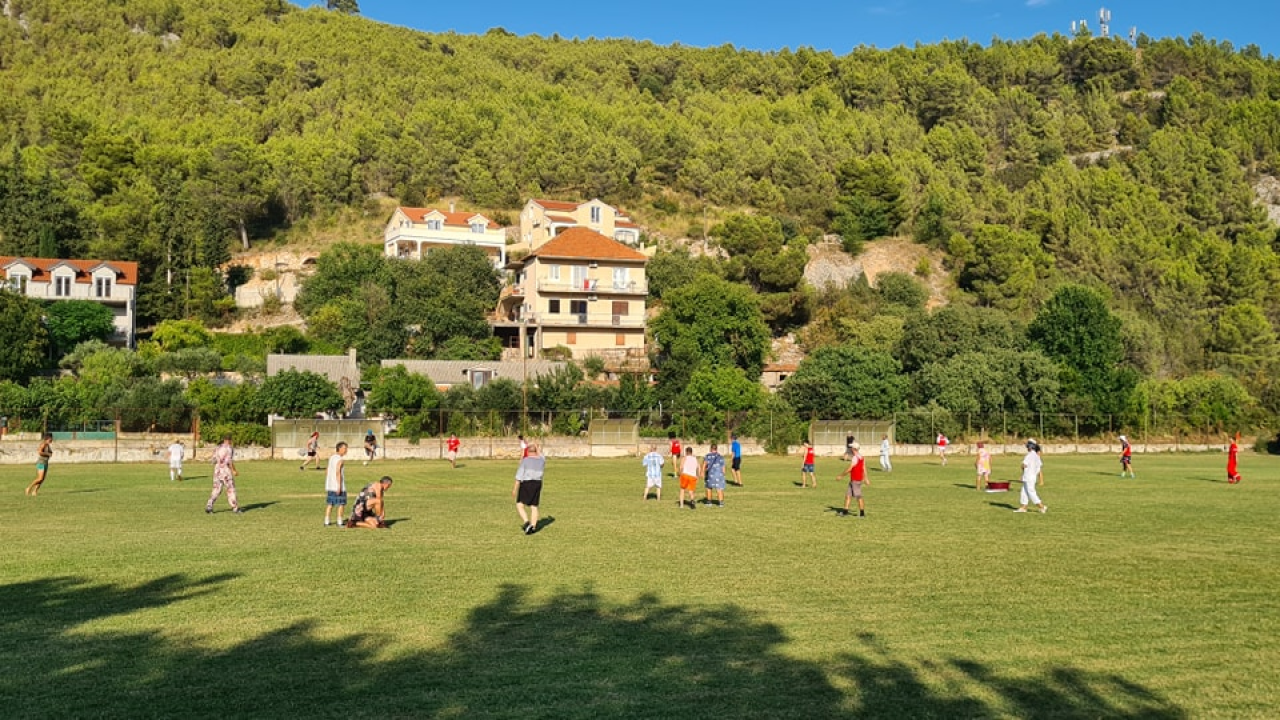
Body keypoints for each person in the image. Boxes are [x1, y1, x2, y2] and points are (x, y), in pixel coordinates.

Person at [206, 435, 242, 514]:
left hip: (217, 471)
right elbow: (229, 461)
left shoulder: (218, 447)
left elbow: (212, 461)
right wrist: (234, 470)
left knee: (216, 489)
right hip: (225, 472)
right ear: (229, 440)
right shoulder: (229, 448)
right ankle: (235, 508)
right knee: (231, 489)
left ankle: (209, 505)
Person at [513, 444, 545, 534]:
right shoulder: (542, 460)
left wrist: (515, 489)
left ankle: (527, 522)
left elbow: (519, 476)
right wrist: (537, 447)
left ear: (527, 452)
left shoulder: (525, 461)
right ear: (536, 451)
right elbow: (541, 454)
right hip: (537, 483)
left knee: (519, 504)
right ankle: (533, 527)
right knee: (534, 506)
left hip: (526, 484)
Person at [1014, 439, 1047, 514]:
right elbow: (1039, 467)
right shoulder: (1036, 455)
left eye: (1027, 445)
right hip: (1032, 476)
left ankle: (1042, 507)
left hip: (1028, 476)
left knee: (1031, 492)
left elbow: (1023, 465)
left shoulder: (1029, 455)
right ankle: (1023, 507)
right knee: (1024, 492)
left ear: (1030, 446)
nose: (1026, 447)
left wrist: (1023, 472)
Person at [840, 442, 869, 517]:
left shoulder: (855, 458)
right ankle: (845, 511)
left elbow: (850, 468)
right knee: (848, 495)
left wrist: (841, 475)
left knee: (859, 496)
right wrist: (866, 478)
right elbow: (864, 468)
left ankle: (862, 514)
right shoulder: (861, 457)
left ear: (854, 449)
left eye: (851, 448)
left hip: (856, 480)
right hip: (854, 480)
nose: (851, 449)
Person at [325, 442, 349, 527]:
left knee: (330, 504)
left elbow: (327, 470)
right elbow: (338, 472)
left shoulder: (331, 458)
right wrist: (339, 486)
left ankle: (326, 521)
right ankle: (339, 522)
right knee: (341, 504)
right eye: (345, 448)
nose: (346, 450)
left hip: (330, 486)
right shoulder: (340, 460)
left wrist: (329, 481)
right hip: (338, 486)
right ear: (340, 449)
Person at [703, 443, 727, 507]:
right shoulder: (720, 457)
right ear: (716, 449)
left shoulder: (707, 456)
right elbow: (723, 468)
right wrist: (723, 474)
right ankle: (721, 503)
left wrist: (702, 472)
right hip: (719, 475)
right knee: (719, 489)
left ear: (711, 449)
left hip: (710, 475)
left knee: (709, 488)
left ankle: (709, 502)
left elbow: (704, 465)